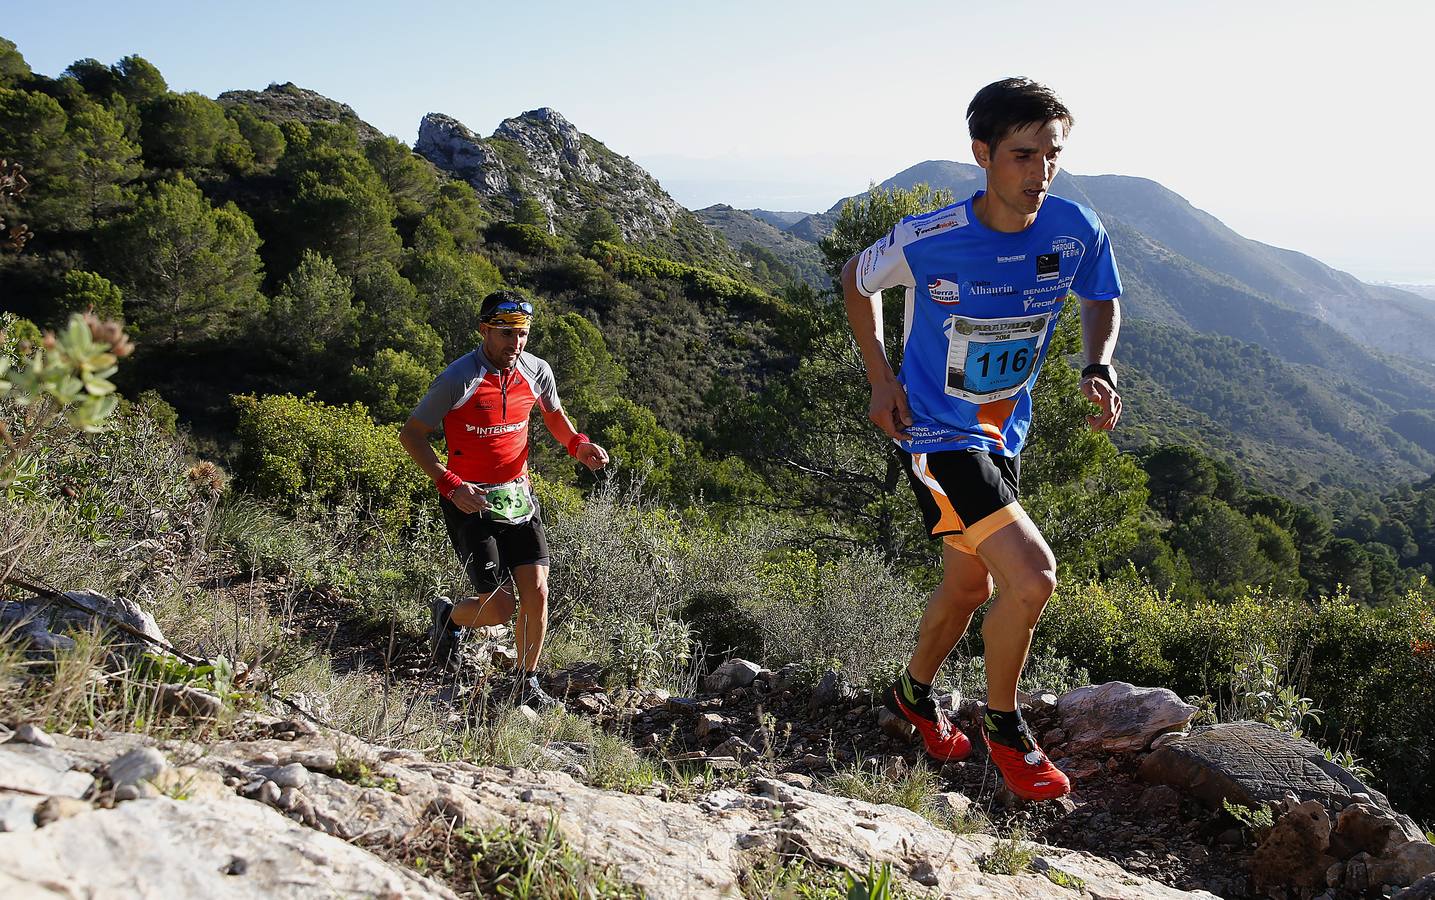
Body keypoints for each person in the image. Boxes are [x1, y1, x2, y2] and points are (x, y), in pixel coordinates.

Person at [840, 78, 1122, 801]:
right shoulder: (929, 238)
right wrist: (880, 380)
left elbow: (1101, 296)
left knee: (970, 585)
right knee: (1032, 578)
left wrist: (1097, 362)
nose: (1039, 173)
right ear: (982, 155)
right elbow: (855, 279)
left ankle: (910, 694)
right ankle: (1005, 729)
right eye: (1022, 155)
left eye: (1051, 156)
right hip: (934, 434)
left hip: (1003, 433)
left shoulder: (1075, 227)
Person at [399, 289, 610, 708]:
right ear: (484, 331)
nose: (515, 344)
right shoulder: (458, 377)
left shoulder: (537, 370)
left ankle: (525, 681)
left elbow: (553, 414)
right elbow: (412, 435)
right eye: (506, 334)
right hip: (469, 499)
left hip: (518, 495)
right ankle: (447, 616)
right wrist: (450, 484)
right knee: (497, 609)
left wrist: (578, 444)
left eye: (523, 334)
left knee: (538, 591)